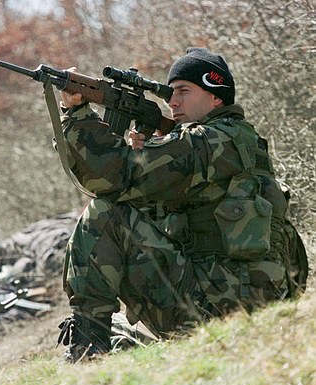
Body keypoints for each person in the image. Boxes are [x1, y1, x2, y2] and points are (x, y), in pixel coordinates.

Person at [56, 48, 308, 362]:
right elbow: (146, 205)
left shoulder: (208, 142)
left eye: (184, 92)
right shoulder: (239, 141)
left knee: (103, 215)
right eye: (171, 92)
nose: (173, 101)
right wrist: (142, 150)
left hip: (218, 310)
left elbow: (112, 176)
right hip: (239, 303)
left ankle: (88, 352)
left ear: (216, 97)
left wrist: (78, 114)